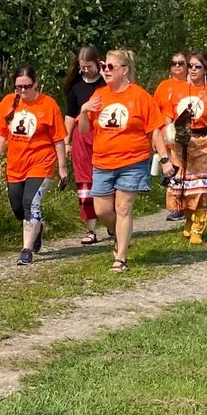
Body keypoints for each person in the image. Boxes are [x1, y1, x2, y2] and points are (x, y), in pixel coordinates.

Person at [78, 49, 165, 273]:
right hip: (102, 162)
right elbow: (84, 130)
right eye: (104, 66)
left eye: (110, 67)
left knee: (123, 207)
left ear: (124, 70)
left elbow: (155, 131)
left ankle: (121, 258)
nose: (105, 71)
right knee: (102, 210)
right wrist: (84, 111)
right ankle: (119, 234)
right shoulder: (98, 95)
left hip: (132, 162)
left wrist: (165, 159)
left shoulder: (140, 96)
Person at [0, 65, 68, 265]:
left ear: (36, 84)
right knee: (18, 208)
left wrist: (62, 167)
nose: (23, 91)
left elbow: (58, 138)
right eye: (19, 87)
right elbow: (0, 133)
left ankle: (26, 250)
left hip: (41, 162)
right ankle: (38, 227)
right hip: (16, 164)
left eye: (27, 86)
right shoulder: (8, 103)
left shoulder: (48, 105)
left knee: (30, 203)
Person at [162, 51, 207, 243]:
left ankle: (198, 227)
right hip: (180, 144)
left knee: (201, 187)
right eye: (190, 65)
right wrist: (168, 137)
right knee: (181, 186)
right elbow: (168, 116)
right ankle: (189, 220)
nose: (192, 69)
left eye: (197, 66)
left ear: (206, 68)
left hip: (204, 144)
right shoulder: (178, 90)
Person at [62, 47, 103, 244]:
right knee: (85, 182)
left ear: (98, 63)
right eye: (82, 67)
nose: (86, 70)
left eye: (89, 66)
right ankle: (91, 229)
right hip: (81, 138)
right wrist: (66, 141)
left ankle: (112, 222)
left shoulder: (107, 83)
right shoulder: (76, 87)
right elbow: (70, 115)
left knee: (105, 180)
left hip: (104, 135)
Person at [152, 49, 193, 218]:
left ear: (187, 65)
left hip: (186, 133)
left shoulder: (192, 85)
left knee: (186, 169)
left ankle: (188, 203)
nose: (177, 66)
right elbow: (154, 112)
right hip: (165, 134)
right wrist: (155, 137)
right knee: (171, 169)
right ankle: (175, 206)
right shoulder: (163, 86)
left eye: (180, 63)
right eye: (173, 63)